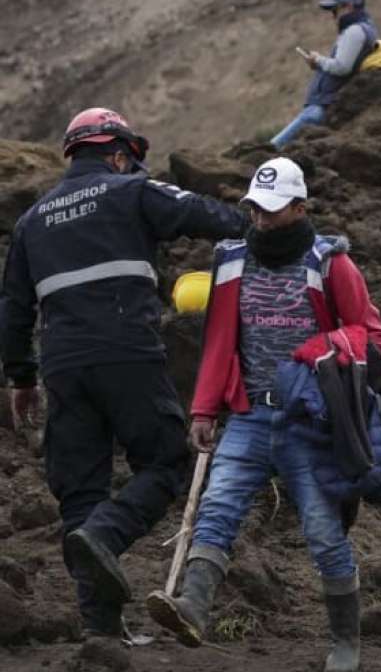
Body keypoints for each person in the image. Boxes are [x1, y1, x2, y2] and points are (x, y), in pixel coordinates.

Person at [0, 107, 247, 640]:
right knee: (166, 462)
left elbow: (13, 310)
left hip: (62, 366)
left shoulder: (31, 221)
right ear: (117, 154)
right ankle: (108, 536)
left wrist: (21, 378)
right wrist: (263, 225)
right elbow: (208, 215)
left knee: (81, 490)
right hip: (126, 351)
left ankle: (102, 634)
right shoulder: (130, 192)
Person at [146, 157, 381, 672]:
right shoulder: (231, 261)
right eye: (254, 209)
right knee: (217, 507)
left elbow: (371, 335)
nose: (260, 221)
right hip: (249, 415)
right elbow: (218, 341)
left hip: (310, 420)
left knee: (323, 533)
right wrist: (204, 408)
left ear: (300, 208)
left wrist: (317, 351)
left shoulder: (331, 265)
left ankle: (346, 641)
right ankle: (192, 607)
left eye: (273, 212)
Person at [271, 0, 378, 149]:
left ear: (348, 7)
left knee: (271, 149)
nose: (332, 16)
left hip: (322, 107)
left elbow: (342, 67)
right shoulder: (363, 28)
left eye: (335, 10)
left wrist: (318, 60)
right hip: (324, 106)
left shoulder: (354, 31)